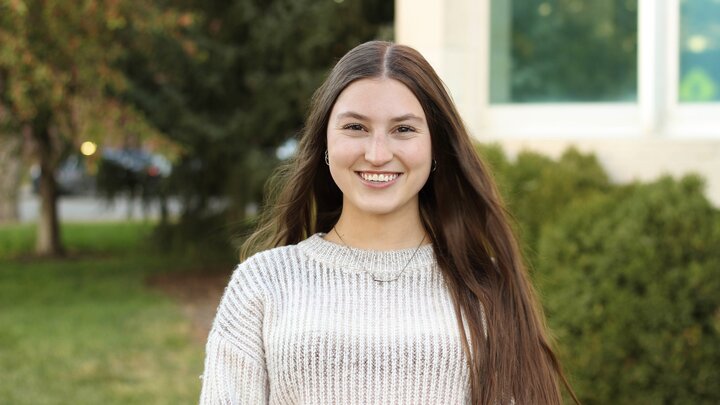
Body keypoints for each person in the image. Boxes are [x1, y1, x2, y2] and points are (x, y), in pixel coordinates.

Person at [199, 41, 577, 404]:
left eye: (404, 129)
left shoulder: (484, 285)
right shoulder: (263, 284)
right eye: (356, 128)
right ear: (325, 143)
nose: (377, 154)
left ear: (436, 148)